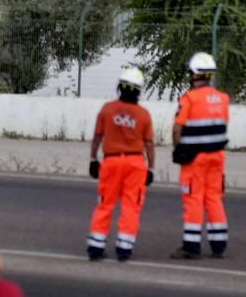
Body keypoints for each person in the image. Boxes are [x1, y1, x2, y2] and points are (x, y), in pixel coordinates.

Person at [86, 65, 155, 262]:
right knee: (131, 206)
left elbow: (97, 137)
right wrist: (151, 168)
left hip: (111, 161)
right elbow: (149, 144)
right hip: (135, 163)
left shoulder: (107, 109)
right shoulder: (143, 114)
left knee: (104, 204)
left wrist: (93, 159)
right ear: (139, 90)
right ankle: (124, 248)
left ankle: (96, 246)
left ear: (120, 87)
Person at [171, 52, 230, 260]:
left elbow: (177, 128)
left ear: (196, 73)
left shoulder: (189, 98)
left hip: (194, 159)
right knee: (213, 198)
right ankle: (219, 245)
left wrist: (178, 149)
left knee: (193, 199)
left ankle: (191, 246)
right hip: (217, 157)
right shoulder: (223, 99)